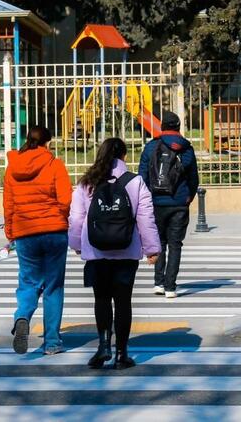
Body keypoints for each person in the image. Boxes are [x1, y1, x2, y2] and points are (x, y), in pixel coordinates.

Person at [69, 137, 160, 369]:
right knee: (123, 302)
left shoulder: (87, 183)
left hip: (96, 251)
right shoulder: (135, 182)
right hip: (126, 251)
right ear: (124, 156)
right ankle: (121, 354)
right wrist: (152, 249)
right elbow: (145, 218)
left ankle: (103, 346)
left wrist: (77, 244)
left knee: (101, 299)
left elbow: (76, 218)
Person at [3, 125, 72, 355]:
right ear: (48, 143)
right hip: (53, 231)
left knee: (29, 282)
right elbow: (65, 200)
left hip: (25, 233)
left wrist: (11, 231)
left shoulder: (13, 168)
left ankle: (22, 316)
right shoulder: (55, 165)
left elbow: (9, 204)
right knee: (53, 286)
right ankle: (52, 342)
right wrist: (59, 217)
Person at [138, 110, 199, 299]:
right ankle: (170, 287)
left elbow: (142, 176)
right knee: (175, 244)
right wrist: (188, 197)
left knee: (159, 242)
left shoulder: (151, 147)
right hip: (179, 203)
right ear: (178, 127)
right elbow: (193, 178)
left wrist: (147, 198)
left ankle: (159, 283)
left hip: (156, 203)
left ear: (162, 127)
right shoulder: (186, 149)